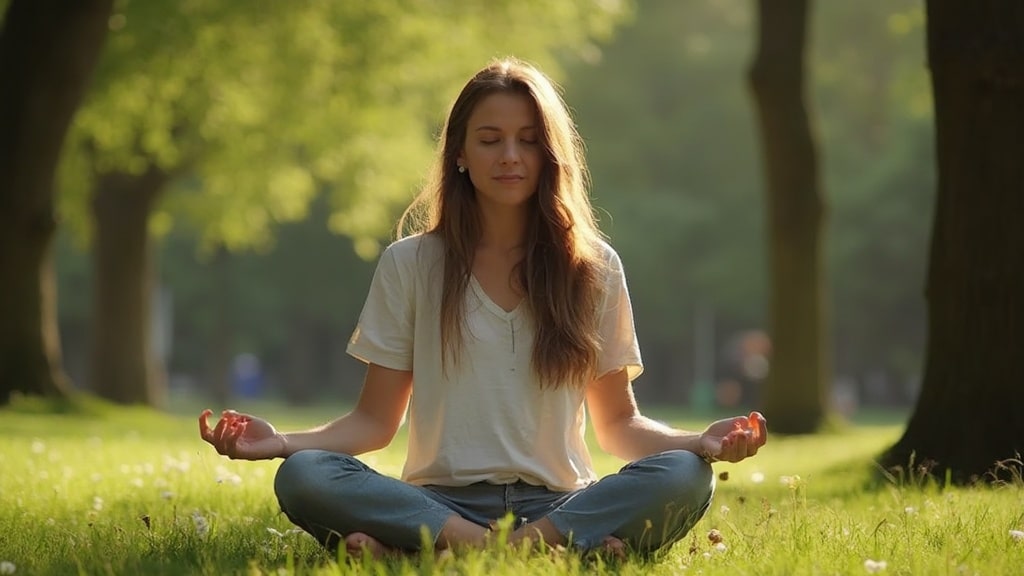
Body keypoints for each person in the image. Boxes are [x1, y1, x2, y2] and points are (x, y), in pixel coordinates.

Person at [199, 57, 767, 559]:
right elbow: (374, 422)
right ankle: (534, 553)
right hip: (437, 502)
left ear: (551, 155)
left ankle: (430, 553)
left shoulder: (593, 267)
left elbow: (617, 426)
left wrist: (701, 442)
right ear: (461, 154)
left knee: (687, 476)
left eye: (528, 139)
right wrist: (281, 444)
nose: (511, 156)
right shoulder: (410, 264)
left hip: (560, 503)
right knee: (305, 476)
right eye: (490, 139)